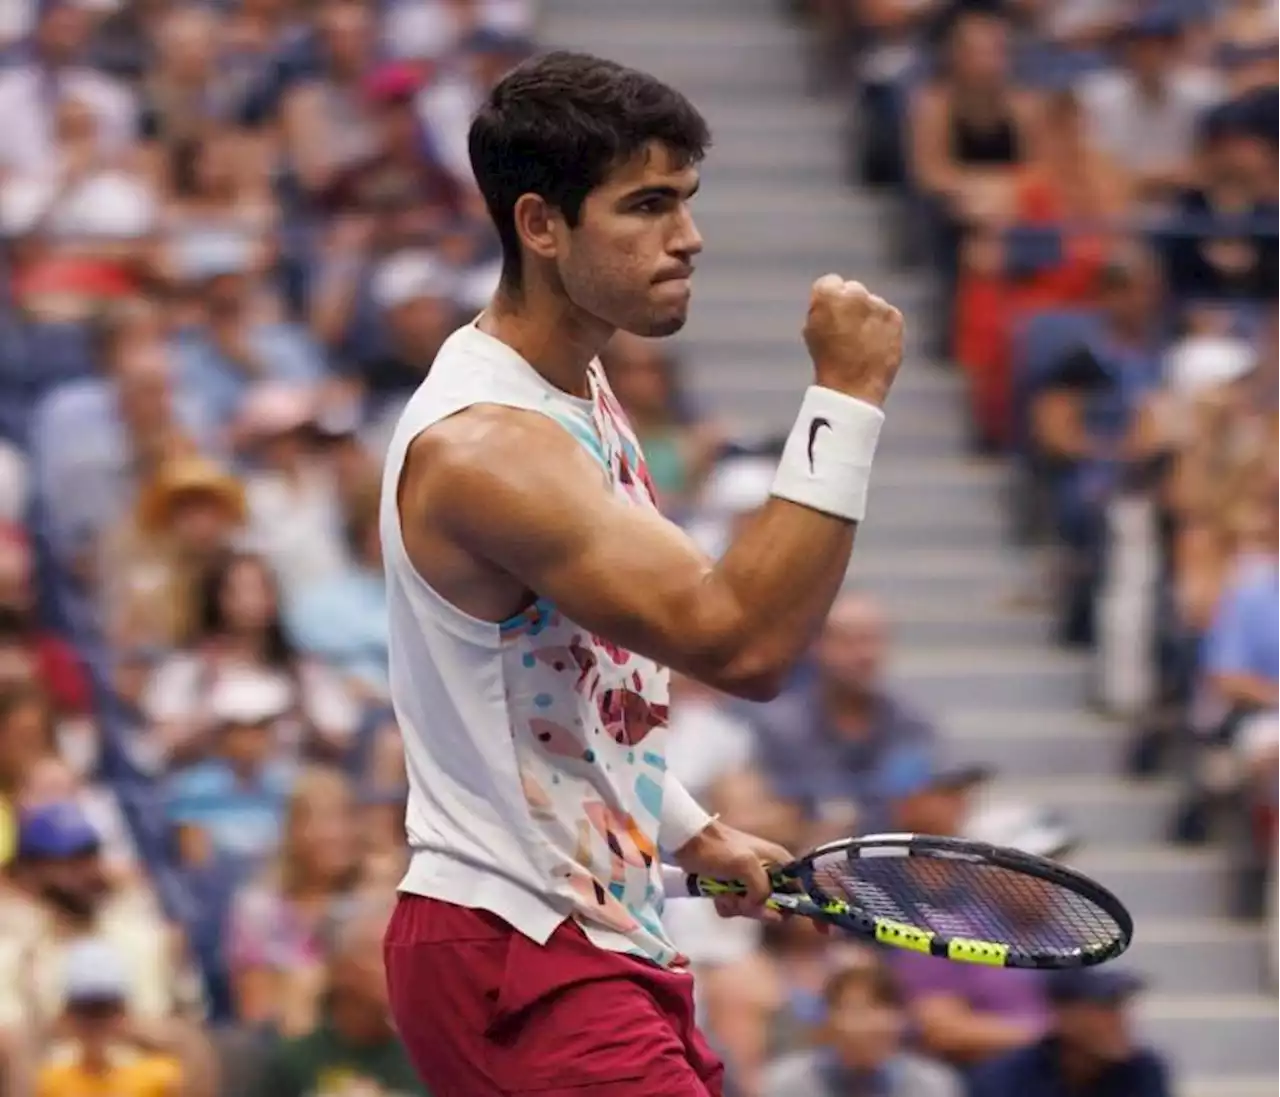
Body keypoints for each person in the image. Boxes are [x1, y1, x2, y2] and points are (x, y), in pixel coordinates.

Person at [379, 50, 904, 1097]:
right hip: (513, 947)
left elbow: (560, 685)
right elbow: (740, 641)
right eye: (647, 205)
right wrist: (844, 395)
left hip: (581, 936)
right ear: (540, 225)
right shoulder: (491, 446)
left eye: (688, 200)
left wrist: (686, 825)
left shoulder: (571, 380)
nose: (689, 235)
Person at [970, 970, 1173, 1097]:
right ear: (1064, 1017)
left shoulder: (1144, 1069)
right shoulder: (1006, 1077)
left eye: (1119, 1008)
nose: (1118, 1021)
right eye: (1103, 1009)